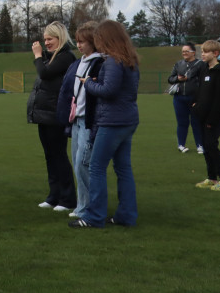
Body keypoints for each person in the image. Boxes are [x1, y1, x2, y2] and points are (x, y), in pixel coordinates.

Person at [70, 20, 140, 229]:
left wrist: (88, 83)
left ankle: (94, 216)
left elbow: (108, 91)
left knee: (96, 167)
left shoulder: (112, 62)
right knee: (123, 169)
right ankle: (126, 215)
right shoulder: (131, 60)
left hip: (112, 121)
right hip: (128, 120)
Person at [55, 22, 103, 220]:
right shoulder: (78, 63)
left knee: (83, 164)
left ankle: (88, 207)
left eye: (83, 41)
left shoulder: (99, 63)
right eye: (78, 41)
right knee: (78, 163)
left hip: (89, 121)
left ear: (93, 42)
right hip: (76, 120)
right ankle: (83, 204)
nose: (79, 45)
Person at [28, 21, 76, 212]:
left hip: (56, 114)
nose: (46, 42)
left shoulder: (65, 57)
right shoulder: (52, 58)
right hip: (44, 114)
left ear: (60, 38)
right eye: (45, 39)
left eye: (50, 39)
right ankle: (53, 195)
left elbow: (45, 73)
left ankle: (67, 198)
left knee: (59, 156)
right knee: (50, 156)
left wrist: (38, 56)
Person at [193, 40, 220, 191]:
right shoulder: (204, 69)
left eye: (206, 51)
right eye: (202, 51)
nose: (202, 54)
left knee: (212, 146)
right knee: (206, 147)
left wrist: (213, 119)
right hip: (201, 116)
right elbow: (201, 91)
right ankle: (212, 178)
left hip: (213, 118)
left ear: (215, 53)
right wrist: (195, 103)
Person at [168, 42, 204, 154]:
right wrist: (178, 79)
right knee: (182, 122)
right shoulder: (178, 64)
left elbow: (203, 80)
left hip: (194, 98)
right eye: (183, 51)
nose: (184, 53)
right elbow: (170, 78)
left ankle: (200, 145)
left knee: (196, 122)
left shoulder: (200, 64)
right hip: (179, 98)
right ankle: (181, 145)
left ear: (193, 52)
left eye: (187, 51)